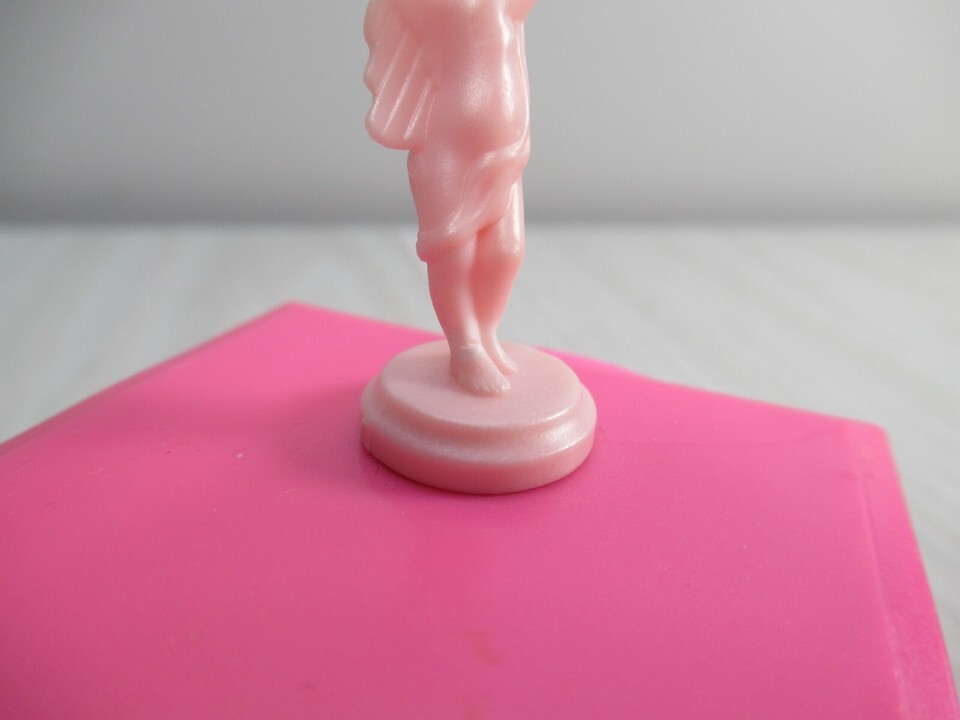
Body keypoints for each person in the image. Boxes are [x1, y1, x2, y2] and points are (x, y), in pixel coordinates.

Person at [364, 0, 537, 395]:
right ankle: (465, 347)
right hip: (447, 147)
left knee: (506, 251)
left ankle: (486, 332)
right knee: (455, 254)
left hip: (504, 150)